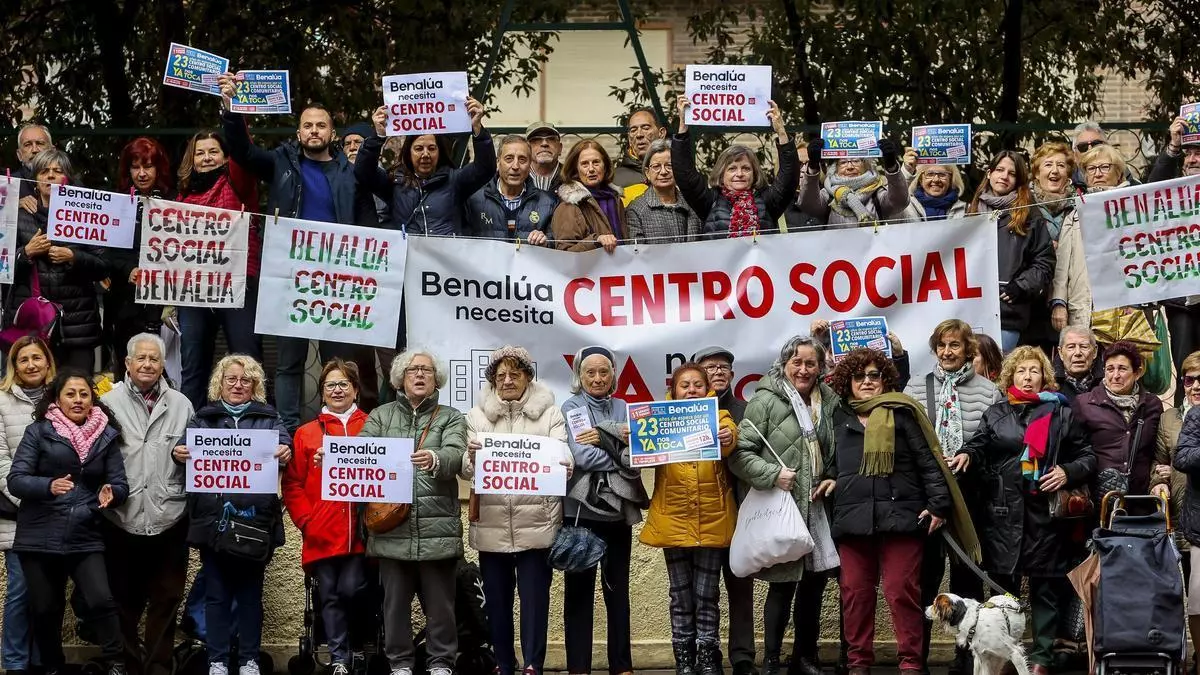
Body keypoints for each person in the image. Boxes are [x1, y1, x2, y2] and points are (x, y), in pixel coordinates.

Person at [217, 75, 375, 433]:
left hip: (338, 280)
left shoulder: (350, 174)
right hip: (292, 278)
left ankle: (341, 429)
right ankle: (287, 431)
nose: (314, 131)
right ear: (299, 132)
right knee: (289, 360)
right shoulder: (281, 163)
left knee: (340, 362)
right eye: (308, 125)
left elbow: (367, 224)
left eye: (321, 125)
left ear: (332, 133)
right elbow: (241, 151)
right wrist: (229, 108)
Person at [827, 348, 972, 675]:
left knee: (901, 593)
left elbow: (929, 461)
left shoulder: (904, 413)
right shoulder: (838, 417)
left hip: (902, 520)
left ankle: (911, 664)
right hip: (853, 521)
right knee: (854, 595)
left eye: (874, 375)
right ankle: (858, 664)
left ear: (885, 380)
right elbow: (829, 463)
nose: (866, 382)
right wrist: (826, 479)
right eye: (859, 376)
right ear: (848, 381)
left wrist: (938, 505)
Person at [953, 346, 1094, 675]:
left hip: (1044, 513)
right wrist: (965, 454)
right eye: (1021, 371)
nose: (1028, 377)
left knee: (1046, 588)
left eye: (1034, 371)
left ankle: (1042, 657)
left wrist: (1067, 472)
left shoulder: (1062, 413)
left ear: (1044, 376)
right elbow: (979, 443)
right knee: (1004, 592)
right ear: (1010, 376)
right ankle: (1004, 655)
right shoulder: (997, 412)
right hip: (1002, 513)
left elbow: (1087, 456)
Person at [174, 355, 292, 675]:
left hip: (255, 521)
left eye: (245, 380)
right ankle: (217, 660)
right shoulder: (203, 419)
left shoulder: (269, 418)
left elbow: (285, 447)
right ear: (220, 383)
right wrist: (179, 452)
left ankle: (250, 658)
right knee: (216, 595)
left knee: (251, 594)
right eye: (231, 379)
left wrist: (285, 451)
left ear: (255, 386)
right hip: (213, 521)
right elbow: (183, 450)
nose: (238, 385)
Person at [729, 336, 840, 675]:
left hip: (818, 510)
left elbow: (837, 450)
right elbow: (738, 454)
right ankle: (773, 660)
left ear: (820, 367)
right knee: (782, 587)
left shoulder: (830, 400)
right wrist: (772, 474)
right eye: (797, 362)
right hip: (783, 508)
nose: (803, 370)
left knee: (813, 587)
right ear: (785, 364)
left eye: (810, 363)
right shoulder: (765, 400)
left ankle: (804, 658)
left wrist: (832, 475)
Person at [8, 368, 129, 675]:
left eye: (84, 394)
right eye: (70, 394)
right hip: (39, 533)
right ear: (57, 399)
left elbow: (120, 483)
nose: (77, 400)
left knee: (101, 600)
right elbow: (16, 480)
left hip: (85, 532)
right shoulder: (38, 431)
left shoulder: (106, 434)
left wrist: (111, 491)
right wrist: (47, 485)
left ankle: (116, 663)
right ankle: (51, 667)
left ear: (93, 399)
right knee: (46, 609)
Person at [461, 346, 570, 675]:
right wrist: (472, 457)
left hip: (537, 522)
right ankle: (504, 665)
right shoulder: (475, 417)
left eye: (515, 374)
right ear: (493, 380)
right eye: (501, 375)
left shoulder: (551, 413)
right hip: (492, 523)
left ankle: (534, 664)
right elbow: (467, 471)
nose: (507, 380)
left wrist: (565, 467)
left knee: (535, 602)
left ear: (528, 377)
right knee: (497, 603)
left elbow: (564, 455)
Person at [360, 351, 466, 675]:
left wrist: (437, 458)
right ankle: (400, 664)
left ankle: (441, 663)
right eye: (412, 370)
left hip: (438, 529)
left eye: (426, 370)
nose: (419, 375)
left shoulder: (451, 416)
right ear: (400, 378)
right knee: (394, 607)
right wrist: (333, 460)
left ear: (437, 379)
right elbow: (362, 455)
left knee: (441, 607)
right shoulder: (379, 416)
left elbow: (456, 452)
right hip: (392, 530)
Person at [903, 321, 1000, 675]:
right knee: (924, 582)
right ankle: (917, 660)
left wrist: (970, 457)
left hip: (969, 498)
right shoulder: (915, 386)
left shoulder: (989, 391)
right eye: (942, 345)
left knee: (968, 583)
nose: (947, 352)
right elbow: (906, 440)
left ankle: (966, 660)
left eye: (955, 345)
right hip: (927, 498)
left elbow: (993, 444)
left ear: (967, 350)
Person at [99, 334, 194, 675]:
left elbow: (198, 458)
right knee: (122, 600)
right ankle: (127, 665)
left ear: (163, 364)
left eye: (154, 359)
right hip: (120, 517)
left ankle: (157, 666)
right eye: (140, 358)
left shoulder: (182, 404)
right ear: (127, 363)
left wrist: (190, 455)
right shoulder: (107, 403)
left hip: (170, 514)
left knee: (167, 598)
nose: (148, 364)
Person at [639, 364, 738, 675]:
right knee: (680, 596)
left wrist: (727, 437)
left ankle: (708, 657)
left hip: (712, 518)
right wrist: (634, 436)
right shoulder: (656, 419)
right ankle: (684, 659)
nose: (692, 389)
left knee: (707, 594)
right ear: (674, 389)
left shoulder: (719, 416)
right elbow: (638, 454)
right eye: (685, 385)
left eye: (698, 384)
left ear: (707, 387)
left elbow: (731, 438)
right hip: (673, 519)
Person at [560, 346, 647, 675]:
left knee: (617, 591)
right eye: (590, 372)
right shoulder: (572, 407)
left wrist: (605, 439)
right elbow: (581, 456)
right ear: (579, 377)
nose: (597, 378)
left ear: (613, 375)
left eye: (603, 372)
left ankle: (621, 666)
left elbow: (635, 456)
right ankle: (578, 668)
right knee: (579, 593)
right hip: (580, 513)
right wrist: (618, 443)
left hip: (616, 515)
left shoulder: (625, 406)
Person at [281, 359, 370, 675]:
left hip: (362, 532)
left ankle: (357, 646)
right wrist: (306, 520)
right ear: (321, 393)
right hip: (321, 531)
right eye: (330, 384)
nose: (337, 389)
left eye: (344, 383)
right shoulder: (306, 433)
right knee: (329, 595)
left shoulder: (372, 426)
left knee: (353, 589)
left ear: (355, 390)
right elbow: (291, 483)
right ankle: (339, 658)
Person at [174, 130, 262, 411]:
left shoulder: (237, 182)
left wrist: (234, 108)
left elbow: (241, 145)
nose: (207, 157)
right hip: (194, 290)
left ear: (225, 157)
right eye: (200, 152)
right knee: (193, 362)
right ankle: (190, 429)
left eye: (213, 151)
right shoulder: (182, 194)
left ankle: (253, 425)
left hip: (237, 285)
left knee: (246, 359)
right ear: (192, 159)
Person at [6, 149, 107, 371]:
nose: (50, 175)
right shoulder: (16, 215)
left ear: (67, 179)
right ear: (35, 179)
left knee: (77, 393)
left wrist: (74, 257)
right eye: (44, 171)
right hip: (32, 327)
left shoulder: (87, 216)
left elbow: (104, 266)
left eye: (57, 171)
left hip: (77, 326)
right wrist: (26, 253)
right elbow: (3, 266)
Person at [690, 346, 757, 675]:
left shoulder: (747, 411)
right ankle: (706, 653)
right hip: (699, 515)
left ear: (732, 375)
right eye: (710, 367)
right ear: (698, 376)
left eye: (723, 368)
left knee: (741, 588)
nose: (717, 372)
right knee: (702, 592)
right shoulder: (679, 414)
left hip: (741, 512)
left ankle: (743, 656)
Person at [359, 98, 495, 236]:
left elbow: (485, 168)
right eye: (418, 148)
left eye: (431, 148)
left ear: (439, 152)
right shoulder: (394, 182)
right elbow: (363, 172)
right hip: (408, 255)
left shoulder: (454, 180)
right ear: (408, 153)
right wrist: (378, 136)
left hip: (445, 256)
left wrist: (477, 129)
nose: (425, 154)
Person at [0, 336, 54, 675]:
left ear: (48, 362)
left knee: (47, 595)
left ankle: (40, 661)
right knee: (20, 591)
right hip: (17, 512)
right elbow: (1, 461)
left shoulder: (64, 397)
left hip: (56, 513)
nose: (31, 364)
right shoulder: (1, 402)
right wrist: (29, 496)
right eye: (24, 360)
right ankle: (15, 663)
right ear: (14, 366)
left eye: (37, 357)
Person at [672, 96, 799, 238]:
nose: (739, 173)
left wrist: (781, 132)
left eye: (746, 168)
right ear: (721, 174)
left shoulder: (767, 201)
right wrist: (683, 125)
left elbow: (789, 178)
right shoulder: (710, 200)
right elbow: (685, 175)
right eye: (732, 168)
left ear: (755, 174)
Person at [967, 151, 1055, 353]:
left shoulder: (1030, 215)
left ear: (1019, 180)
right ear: (989, 174)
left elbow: (1044, 261)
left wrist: (1021, 286)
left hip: (1007, 315)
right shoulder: (970, 211)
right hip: (970, 313)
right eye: (999, 170)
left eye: (1012, 173)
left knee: (997, 375)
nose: (1004, 176)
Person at [107, 138, 172, 371]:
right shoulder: (117, 204)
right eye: (135, 167)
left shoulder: (175, 203)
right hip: (127, 303)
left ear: (159, 169)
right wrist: (128, 270)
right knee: (127, 368)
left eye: (148, 166)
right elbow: (106, 253)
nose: (142, 173)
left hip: (164, 304)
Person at [1051, 144, 1130, 332]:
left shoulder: (1132, 209)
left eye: (1105, 167)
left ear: (1119, 173)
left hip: (1122, 306)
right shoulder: (1075, 213)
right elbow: (1062, 264)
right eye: (1091, 169)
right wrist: (1059, 302)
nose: (1098, 173)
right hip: (1083, 306)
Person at [1072, 340, 1163, 498]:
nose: (1115, 376)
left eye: (1122, 369)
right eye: (1110, 369)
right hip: (1099, 498)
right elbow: (1075, 449)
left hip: (1140, 497)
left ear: (1137, 373)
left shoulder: (1152, 404)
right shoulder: (1085, 403)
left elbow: (1158, 450)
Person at [465, 135, 557, 245]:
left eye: (522, 160)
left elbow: (557, 244)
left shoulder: (548, 203)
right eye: (509, 159)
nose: (515, 166)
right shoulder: (474, 199)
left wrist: (545, 243)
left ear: (530, 165)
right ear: (498, 162)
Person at [1167, 352, 1200, 660]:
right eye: (1190, 380)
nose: (1196, 386)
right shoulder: (1182, 417)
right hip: (1189, 519)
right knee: (1196, 599)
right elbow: (1177, 458)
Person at [798, 137, 908, 228]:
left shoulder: (876, 192)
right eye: (843, 162)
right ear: (835, 168)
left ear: (865, 165)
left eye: (856, 161)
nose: (850, 167)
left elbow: (899, 202)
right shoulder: (828, 193)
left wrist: (892, 167)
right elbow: (808, 205)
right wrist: (812, 167)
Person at [625, 139, 703, 244]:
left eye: (669, 166)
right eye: (656, 166)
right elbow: (637, 253)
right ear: (647, 173)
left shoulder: (692, 205)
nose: (663, 172)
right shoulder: (636, 210)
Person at [552, 140, 623, 253]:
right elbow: (565, 255)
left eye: (596, 162)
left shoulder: (615, 199)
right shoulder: (568, 206)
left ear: (605, 166)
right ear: (575, 169)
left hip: (622, 268)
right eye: (584, 164)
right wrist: (595, 241)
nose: (591, 169)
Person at [615, 108, 667, 205]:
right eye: (633, 130)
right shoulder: (614, 180)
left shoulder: (677, 172)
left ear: (661, 133)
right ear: (629, 139)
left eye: (646, 128)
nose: (639, 134)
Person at [1069, 121, 1139, 188]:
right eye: (1083, 147)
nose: (1090, 150)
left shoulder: (1134, 187)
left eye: (1096, 144)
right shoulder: (1067, 186)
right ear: (1075, 156)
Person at [1029, 142, 1075, 243]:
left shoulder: (1079, 205)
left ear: (1068, 174)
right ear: (1037, 173)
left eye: (1061, 165)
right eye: (1048, 165)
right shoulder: (1024, 203)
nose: (1055, 170)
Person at [1054, 326, 1101, 401]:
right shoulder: (1049, 383)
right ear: (1060, 352)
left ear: (1095, 351)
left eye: (1084, 347)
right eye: (1071, 347)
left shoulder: (1107, 382)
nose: (1078, 353)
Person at [11, 124, 52, 197]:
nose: (34, 150)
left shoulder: (70, 184)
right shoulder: (7, 185)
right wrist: (14, 204)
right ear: (19, 155)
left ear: (52, 151)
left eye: (40, 143)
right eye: (28, 145)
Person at [526, 122, 564, 192]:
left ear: (560, 148)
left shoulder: (572, 176)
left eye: (551, 139)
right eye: (536, 140)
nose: (544, 143)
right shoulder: (517, 176)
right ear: (526, 149)